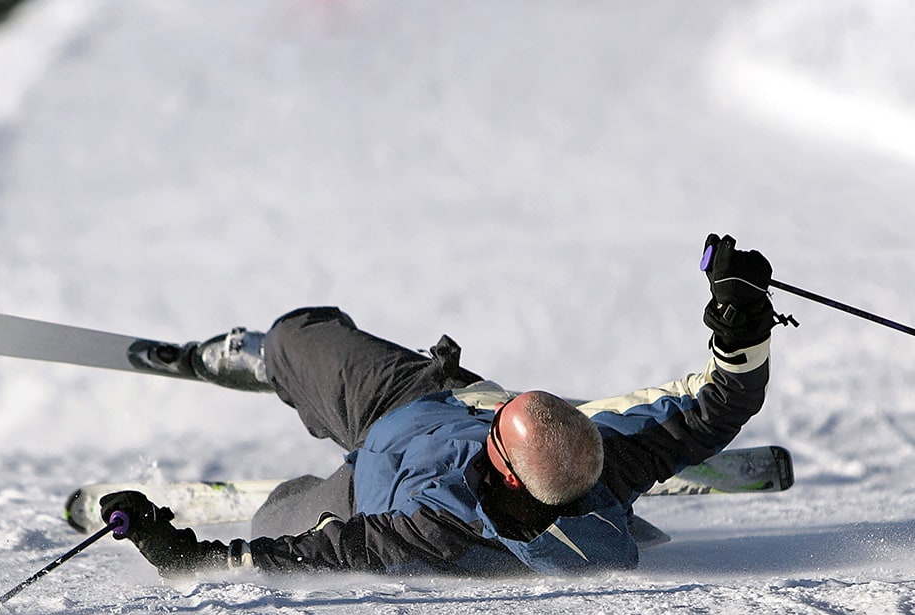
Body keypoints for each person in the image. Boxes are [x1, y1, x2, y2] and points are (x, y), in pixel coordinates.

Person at [101, 234, 777, 577]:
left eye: (496, 440)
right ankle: (261, 359)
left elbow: (323, 553)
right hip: (417, 397)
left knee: (279, 509)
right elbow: (718, 403)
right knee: (297, 337)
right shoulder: (615, 457)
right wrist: (741, 320)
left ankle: (278, 409)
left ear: (509, 472)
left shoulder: (437, 525)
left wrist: (185, 553)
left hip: (351, 493)